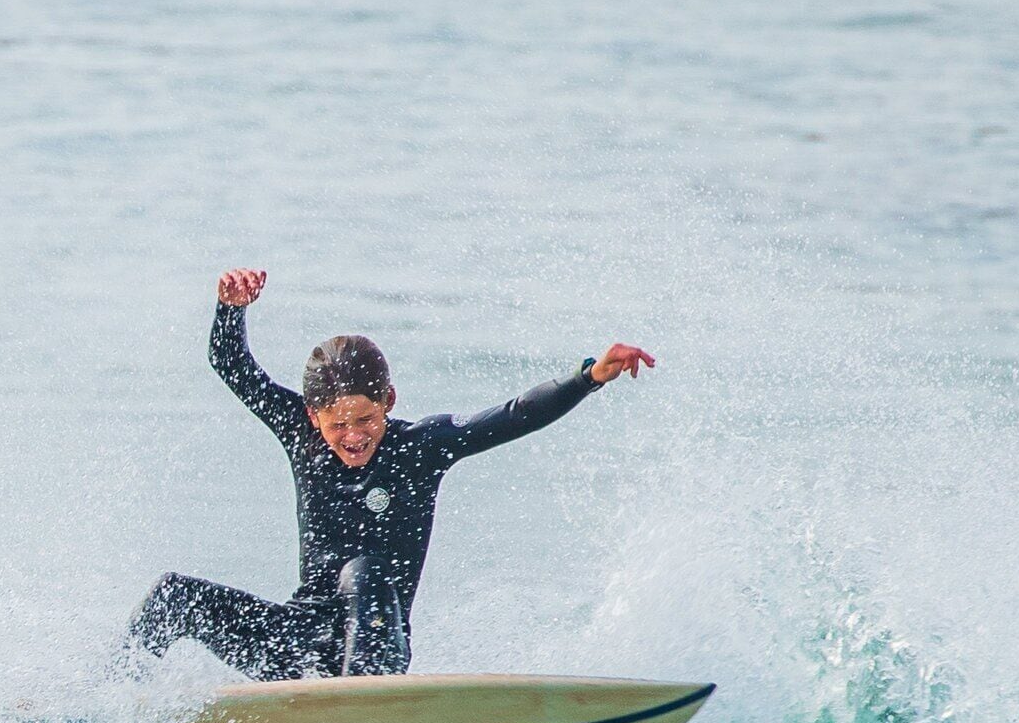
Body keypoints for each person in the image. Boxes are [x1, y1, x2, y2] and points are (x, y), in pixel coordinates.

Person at [126, 269, 653, 680]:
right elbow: (233, 366)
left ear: (389, 402)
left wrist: (588, 377)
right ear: (314, 417)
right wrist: (229, 309)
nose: (353, 436)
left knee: (365, 571)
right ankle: (108, 708)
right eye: (337, 425)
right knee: (174, 594)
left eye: (366, 419)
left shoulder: (422, 447)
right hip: (300, 642)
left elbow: (515, 413)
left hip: (375, 644)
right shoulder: (299, 431)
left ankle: (365, 705)